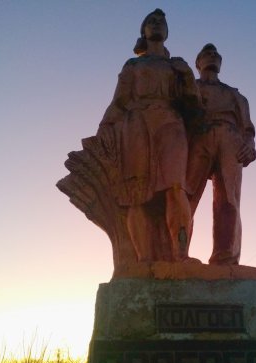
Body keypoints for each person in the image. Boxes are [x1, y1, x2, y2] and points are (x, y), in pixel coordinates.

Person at [97, 9, 201, 262]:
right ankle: (143, 261)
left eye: (161, 22)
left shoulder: (177, 65)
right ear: (143, 32)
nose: (156, 25)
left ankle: (181, 255)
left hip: (170, 122)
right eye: (151, 22)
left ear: (167, 32)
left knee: (176, 187)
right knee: (136, 194)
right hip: (137, 124)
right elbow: (119, 101)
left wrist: (187, 76)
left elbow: (194, 105)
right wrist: (104, 128)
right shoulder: (133, 65)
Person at [187, 43, 256, 265]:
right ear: (197, 63)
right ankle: (175, 252)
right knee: (185, 196)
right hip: (198, 137)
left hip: (230, 138)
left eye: (216, 54)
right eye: (206, 54)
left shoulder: (235, 95)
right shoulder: (189, 89)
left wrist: (250, 144)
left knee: (229, 199)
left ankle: (225, 256)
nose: (212, 56)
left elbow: (248, 129)